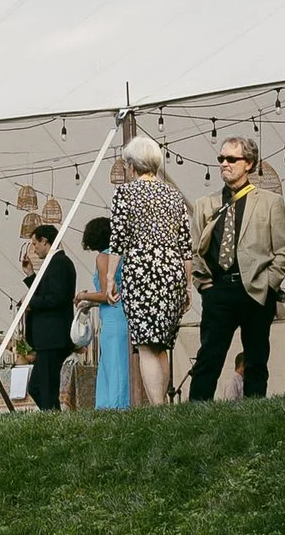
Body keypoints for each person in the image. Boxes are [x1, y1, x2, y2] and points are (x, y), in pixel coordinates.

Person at [187, 133, 285, 401]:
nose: (224, 163)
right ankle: (195, 414)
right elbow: (196, 250)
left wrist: (268, 284)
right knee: (209, 357)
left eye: (231, 158)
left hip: (256, 290)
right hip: (218, 290)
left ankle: (254, 413)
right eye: (221, 158)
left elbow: (284, 252)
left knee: (256, 359)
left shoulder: (270, 202)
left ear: (249, 163)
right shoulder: (205, 204)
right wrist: (205, 285)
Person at [107, 135, 194, 406]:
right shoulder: (173, 195)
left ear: (132, 165)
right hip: (172, 272)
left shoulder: (125, 193)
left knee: (145, 344)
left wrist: (111, 276)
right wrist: (188, 285)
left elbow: (118, 240)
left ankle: (156, 408)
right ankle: (163, 406)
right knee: (163, 344)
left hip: (141, 271)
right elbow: (185, 245)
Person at [21, 214, 78, 409]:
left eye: (35, 244)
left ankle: (52, 417)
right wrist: (30, 275)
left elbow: (57, 297)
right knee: (39, 386)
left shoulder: (60, 263)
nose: (34, 249)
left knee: (43, 386)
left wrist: (31, 303)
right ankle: (51, 415)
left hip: (53, 336)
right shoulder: (52, 264)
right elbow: (46, 292)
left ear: (45, 241)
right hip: (48, 338)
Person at [79, 213, 130, 412]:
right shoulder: (121, 255)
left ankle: (115, 406)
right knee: (118, 362)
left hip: (113, 317)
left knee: (113, 364)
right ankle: (116, 404)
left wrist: (83, 296)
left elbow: (106, 294)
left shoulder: (103, 257)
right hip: (123, 313)